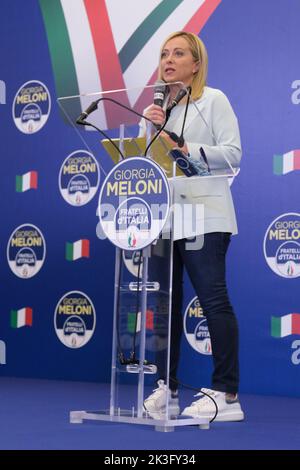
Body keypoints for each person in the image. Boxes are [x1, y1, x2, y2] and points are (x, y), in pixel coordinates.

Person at [142, 31, 244, 422]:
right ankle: (165, 388)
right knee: (164, 303)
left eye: (178, 53)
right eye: (164, 53)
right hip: (167, 219)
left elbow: (233, 153)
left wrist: (187, 150)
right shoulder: (158, 110)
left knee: (212, 300)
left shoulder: (212, 100)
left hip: (206, 215)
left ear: (196, 63)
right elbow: (154, 166)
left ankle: (226, 392)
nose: (168, 60)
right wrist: (149, 135)